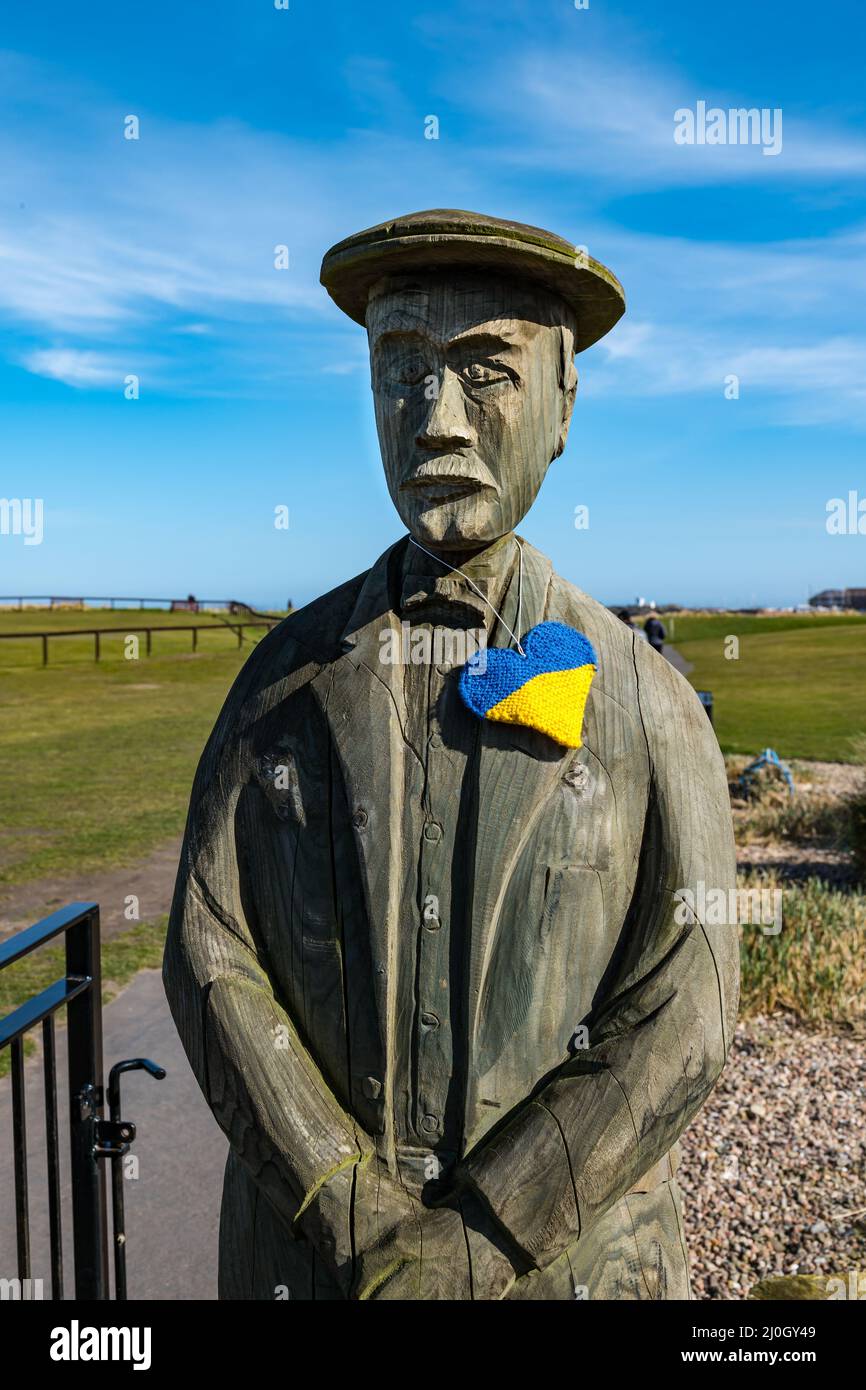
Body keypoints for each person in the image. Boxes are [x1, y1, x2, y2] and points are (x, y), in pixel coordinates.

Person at [163, 209, 738, 1300]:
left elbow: (688, 1004)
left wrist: (481, 1236)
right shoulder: (279, 685)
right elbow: (205, 945)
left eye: (484, 372)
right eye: (399, 369)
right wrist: (338, 1192)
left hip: (573, 1276)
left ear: (563, 403)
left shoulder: (647, 703)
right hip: (308, 1269)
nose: (433, 419)